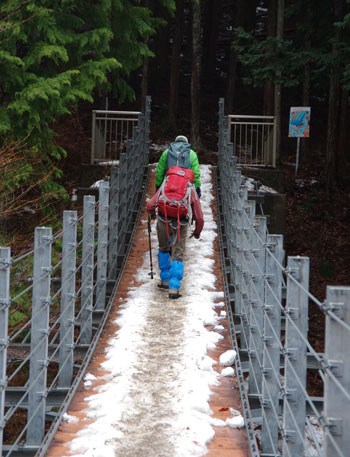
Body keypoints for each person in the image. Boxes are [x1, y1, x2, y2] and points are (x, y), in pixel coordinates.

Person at [146, 170, 204, 299]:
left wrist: (152, 214)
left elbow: (150, 204)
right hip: (181, 223)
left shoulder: (165, 185)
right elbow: (199, 216)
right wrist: (197, 232)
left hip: (163, 219)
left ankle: (165, 280)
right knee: (178, 254)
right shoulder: (190, 189)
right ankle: (173, 287)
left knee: (163, 248)